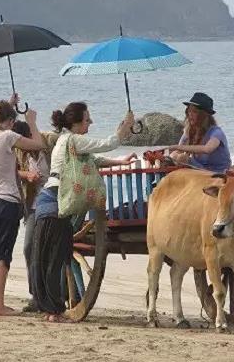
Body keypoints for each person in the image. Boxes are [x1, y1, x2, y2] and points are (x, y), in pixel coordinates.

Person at [33, 102, 136, 322]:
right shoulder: (73, 139)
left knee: (48, 258)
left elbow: (95, 160)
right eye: (88, 119)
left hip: (47, 201)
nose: (91, 123)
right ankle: (54, 312)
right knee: (55, 259)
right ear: (77, 123)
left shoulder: (66, 141)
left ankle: (49, 309)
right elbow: (106, 144)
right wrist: (125, 128)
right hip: (56, 204)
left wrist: (120, 161)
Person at [0, 97, 45, 316]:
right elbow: (39, 144)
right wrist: (31, 121)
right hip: (7, 202)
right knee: (2, 252)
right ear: (10, 121)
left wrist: (9, 102)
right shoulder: (8, 137)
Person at [11, 120, 57, 313]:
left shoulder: (49, 142)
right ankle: (35, 296)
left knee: (51, 250)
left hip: (54, 201)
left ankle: (55, 294)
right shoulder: (18, 151)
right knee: (29, 247)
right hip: (32, 205)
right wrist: (26, 175)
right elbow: (11, 169)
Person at [168, 92, 232, 173]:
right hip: (200, 169)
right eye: (189, 111)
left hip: (218, 172)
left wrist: (177, 147)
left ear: (204, 115)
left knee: (182, 158)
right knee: (175, 156)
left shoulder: (216, 132)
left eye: (194, 112)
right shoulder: (189, 131)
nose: (190, 114)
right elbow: (178, 151)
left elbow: (207, 149)